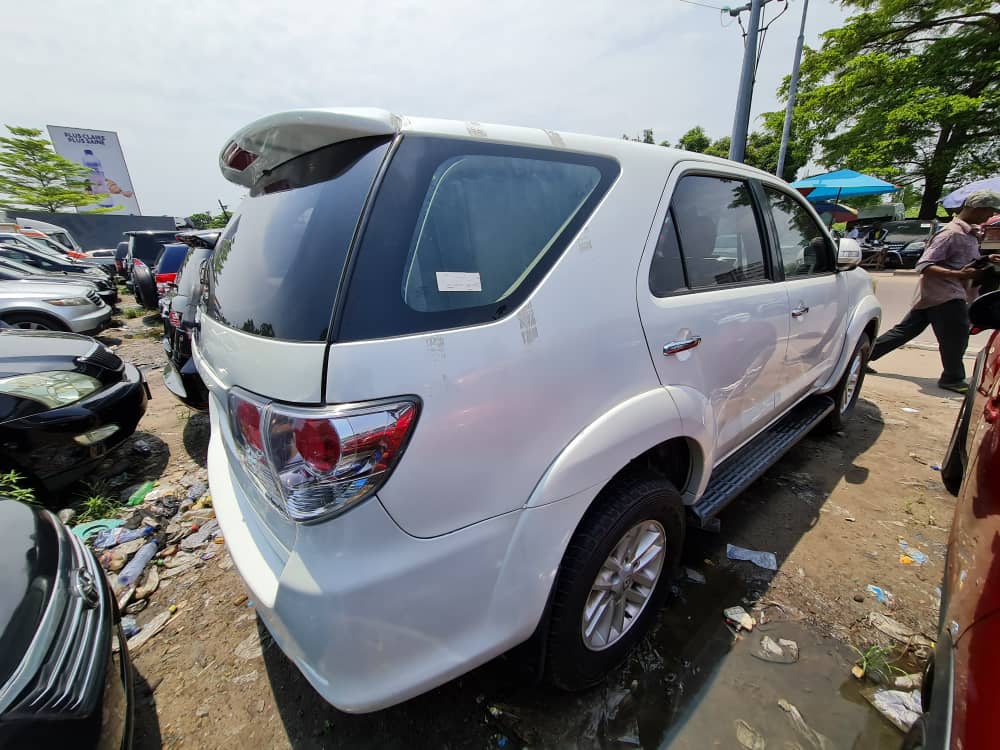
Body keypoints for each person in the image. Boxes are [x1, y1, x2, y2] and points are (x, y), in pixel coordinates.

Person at [866, 189, 1000, 393]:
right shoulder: (950, 234)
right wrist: (960, 276)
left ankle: (860, 356)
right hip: (946, 293)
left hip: (940, 294)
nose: (988, 217)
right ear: (975, 208)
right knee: (956, 336)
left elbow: (963, 262)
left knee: (905, 331)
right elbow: (924, 265)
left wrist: (985, 261)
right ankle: (952, 377)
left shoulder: (969, 234)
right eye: (988, 212)